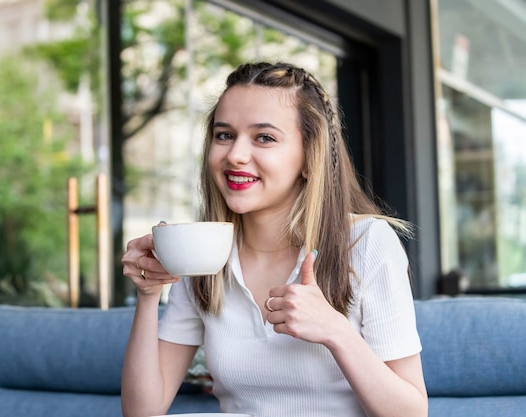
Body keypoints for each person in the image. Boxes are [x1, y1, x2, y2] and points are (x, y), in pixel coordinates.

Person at [121, 61, 428, 417]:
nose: (235, 155)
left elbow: (411, 413)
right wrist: (147, 296)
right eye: (224, 135)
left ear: (309, 157)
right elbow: (142, 412)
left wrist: (336, 331)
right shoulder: (204, 254)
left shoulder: (366, 242)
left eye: (264, 137)